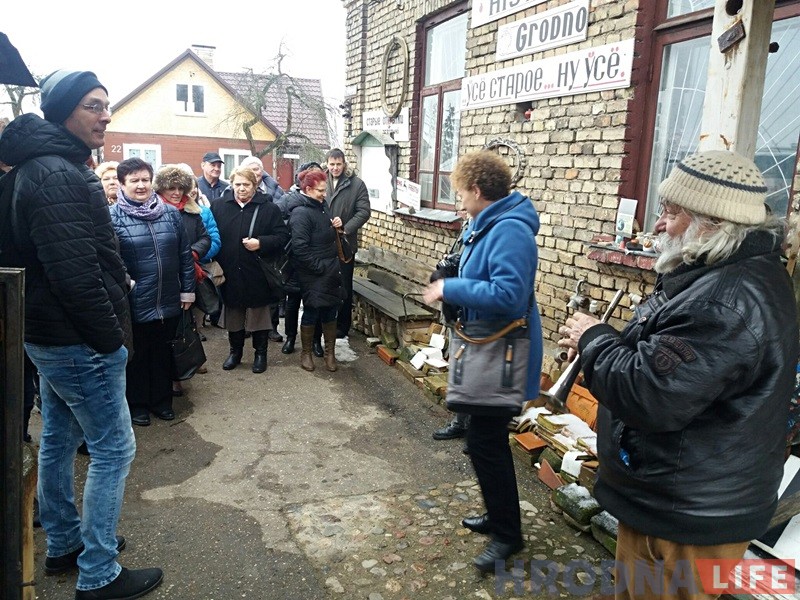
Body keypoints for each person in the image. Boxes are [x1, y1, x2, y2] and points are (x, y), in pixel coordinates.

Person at [557, 150, 799, 600]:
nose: (658, 226)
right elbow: (665, 358)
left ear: (712, 223)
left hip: (687, 513)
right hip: (677, 497)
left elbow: (649, 394)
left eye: (671, 214)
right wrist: (606, 346)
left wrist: (594, 339)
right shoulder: (720, 274)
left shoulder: (723, 300)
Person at [0, 69, 162, 599]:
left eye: (107, 105)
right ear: (65, 111)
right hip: (77, 340)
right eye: (94, 105)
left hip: (51, 337)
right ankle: (98, 573)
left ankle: (65, 544)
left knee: (59, 440)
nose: (105, 115)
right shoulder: (58, 173)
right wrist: (110, 339)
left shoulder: (40, 166)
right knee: (114, 448)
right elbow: (75, 274)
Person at [423, 151, 542, 572]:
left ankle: (508, 535)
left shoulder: (509, 230)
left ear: (477, 190)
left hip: (504, 355)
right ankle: (500, 517)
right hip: (489, 350)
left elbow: (509, 297)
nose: (458, 202)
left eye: (459, 193)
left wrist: (450, 289)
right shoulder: (488, 224)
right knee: (483, 442)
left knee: (484, 443)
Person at [110, 158, 195, 426]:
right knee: (137, 355)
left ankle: (162, 401)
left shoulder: (169, 213)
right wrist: (128, 284)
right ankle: (138, 405)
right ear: (122, 184)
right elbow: (110, 259)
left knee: (163, 352)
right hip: (134, 300)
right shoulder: (112, 217)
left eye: (145, 179)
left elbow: (184, 254)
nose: (141, 185)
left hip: (169, 297)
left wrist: (188, 291)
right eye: (134, 180)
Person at [211, 166, 289, 373]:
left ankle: (260, 354)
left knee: (259, 317)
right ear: (231, 184)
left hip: (257, 272)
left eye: (246, 184)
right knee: (234, 315)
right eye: (237, 184)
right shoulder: (219, 206)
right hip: (230, 271)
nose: (241, 189)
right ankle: (235, 353)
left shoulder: (269, 209)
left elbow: (282, 237)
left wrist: (261, 242)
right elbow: (210, 234)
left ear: (255, 186)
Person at [153, 164, 213, 392]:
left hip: (189, 274)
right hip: (164, 277)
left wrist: (193, 253)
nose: (176, 192)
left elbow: (205, 238)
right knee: (166, 329)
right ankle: (169, 375)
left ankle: (184, 367)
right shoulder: (154, 210)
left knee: (186, 327)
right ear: (161, 189)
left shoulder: (192, 211)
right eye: (171, 188)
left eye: (180, 188)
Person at [288, 169, 343, 372]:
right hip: (313, 272)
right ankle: (306, 353)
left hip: (330, 269)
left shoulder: (322, 206)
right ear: (308, 189)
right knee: (311, 311)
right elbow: (299, 248)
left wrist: (336, 224)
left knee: (330, 310)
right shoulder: (300, 213)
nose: (324, 194)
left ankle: (330, 354)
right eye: (320, 190)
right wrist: (319, 267)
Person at [316, 148, 370, 346]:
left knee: (344, 286)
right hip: (323, 242)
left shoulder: (356, 184)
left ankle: (342, 325)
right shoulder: (322, 181)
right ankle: (324, 323)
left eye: (339, 164)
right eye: (332, 164)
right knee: (324, 283)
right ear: (327, 164)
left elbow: (364, 212)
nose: (335, 168)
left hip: (345, 244)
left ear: (344, 164)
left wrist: (346, 227)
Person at [240, 155, 286, 342]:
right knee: (246, 289)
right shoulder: (236, 187)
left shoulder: (274, 189)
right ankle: (247, 326)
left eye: (257, 169)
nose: (254, 173)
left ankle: (272, 327)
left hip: (268, 248)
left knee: (271, 289)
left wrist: (265, 240)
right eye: (250, 169)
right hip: (244, 249)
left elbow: (282, 217)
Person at [279, 161, 324, 355]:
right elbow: (278, 220)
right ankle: (290, 338)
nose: (323, 193)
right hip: (296, 261)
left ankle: (316, 341)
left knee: (315, 304)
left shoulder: (322, 203)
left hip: (316, 260)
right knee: (293, 302)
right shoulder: (290, 201)